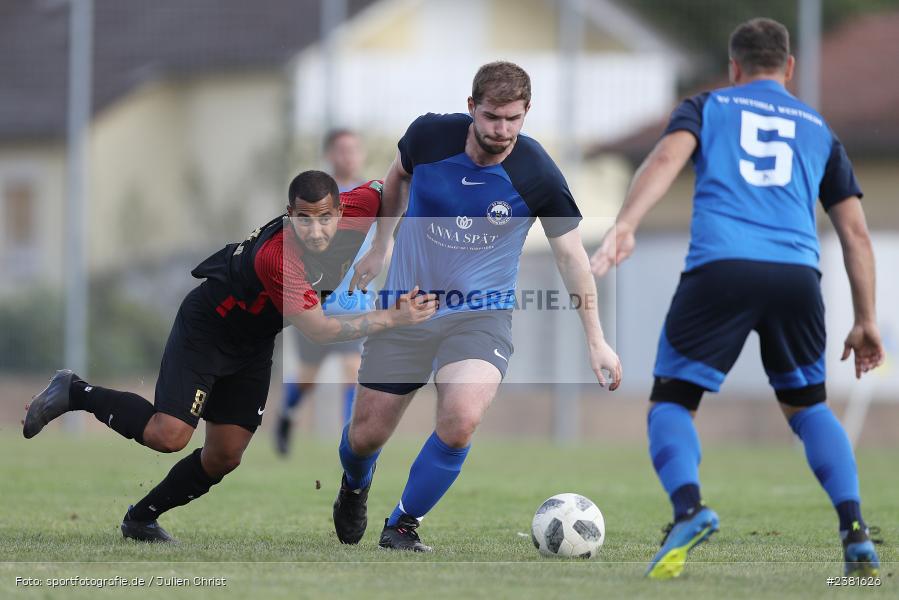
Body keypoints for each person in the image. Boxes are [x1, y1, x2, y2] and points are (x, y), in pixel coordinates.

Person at [590, 18, 883, 579]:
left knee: (673, 402)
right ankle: (855, 533)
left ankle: (689, 510)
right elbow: (856, 234)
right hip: (797, 275)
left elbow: (665, 161)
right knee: (809, 409)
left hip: (722, 267)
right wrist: (866, 319)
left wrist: (626, 223)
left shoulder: (708, 106)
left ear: (734, 67)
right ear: (789, 68)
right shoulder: (819, 129)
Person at [23, 171, 436, 543]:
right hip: (208, 330)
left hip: (253, 343)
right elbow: (318, 329)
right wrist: (393, 317)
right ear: (289, 214)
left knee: (224, 456)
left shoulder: (360, 206)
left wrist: (383, 244)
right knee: (169, 436)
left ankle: (141, 519)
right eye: (304, 219)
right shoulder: (279, 257)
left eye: (324, 218)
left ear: (341, 210)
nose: (315, 230)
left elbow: (394, 180)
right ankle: (75, 391)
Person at [331, 61, 622, 552]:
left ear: (526, 113)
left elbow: (571, 257)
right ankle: (354, 486)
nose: (501, 129)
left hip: (480, 316)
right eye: (491, 117)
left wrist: (597, 340)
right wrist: (382, 244)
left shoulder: (537, 174)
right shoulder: (428, 137)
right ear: (472, 108)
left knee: (462, 417)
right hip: (404, 306)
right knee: (365, 436)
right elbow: (396, 177)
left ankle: (402, 524)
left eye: (512, 118)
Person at [276, 129, 369, 456]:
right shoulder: (314, 196)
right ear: (330, 155)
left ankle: (350, 443)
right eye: (341, 150)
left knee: (352, 371)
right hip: (315, 303)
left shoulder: (371, 196)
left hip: (352, 301)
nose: (348, 156)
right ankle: (286, 415)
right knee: (307, 379)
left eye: (354, 149)